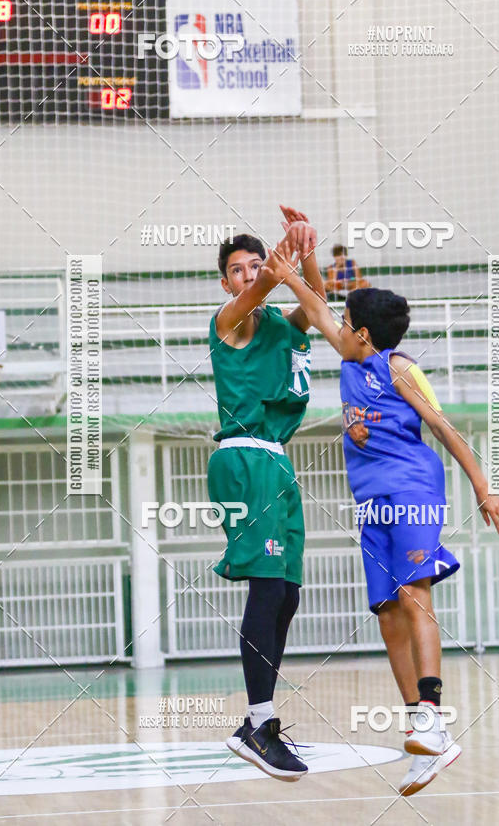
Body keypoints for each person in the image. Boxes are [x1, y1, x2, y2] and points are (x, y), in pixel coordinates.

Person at [264, 248, 499, 796]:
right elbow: (318, 306)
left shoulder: (400, 370)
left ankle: (431, 709)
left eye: (348, 325)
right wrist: (292, 268)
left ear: (366, 336)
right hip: (373, 503)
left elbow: (445, 429)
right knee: (385, 612)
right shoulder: (350, 356)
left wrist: (483, 487)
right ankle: (424, 735)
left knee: (413, 594)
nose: (340, 329)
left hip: (414, 492)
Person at [207, 206, 324, 781]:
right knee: (267, 586)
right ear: (225, 281)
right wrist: (287, 248)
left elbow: (318, 305)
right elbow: (275, 281)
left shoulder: (284, 322)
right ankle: (260, 721)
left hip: (278, 461)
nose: (249, 273)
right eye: (238, 268)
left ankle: (255, 724)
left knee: (289, 594)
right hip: (244, 456)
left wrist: (310, 250)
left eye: (256, 264)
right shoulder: (232, 320)